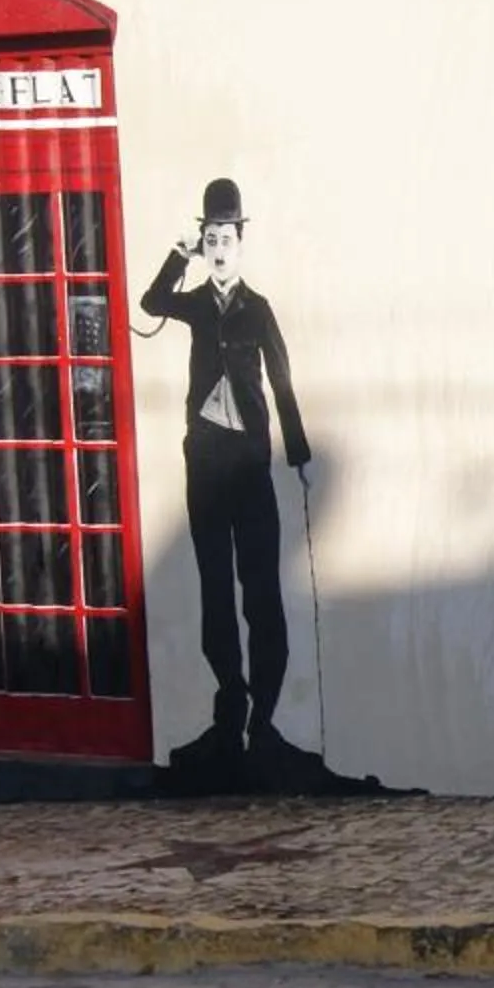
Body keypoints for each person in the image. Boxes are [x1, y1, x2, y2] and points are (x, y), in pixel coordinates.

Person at [140, 178, 313, 764]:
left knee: (260, 591)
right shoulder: (192, 303)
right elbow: (150, 303)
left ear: (240, 243)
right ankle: (228, 714)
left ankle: (264, 718)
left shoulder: (257, 310)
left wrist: (298, 452)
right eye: (209, 239)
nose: (217, 249)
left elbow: (283, 380)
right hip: (206, 465)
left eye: (225, 239)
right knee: (216, 591)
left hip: (249, 466)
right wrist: (177, 254)